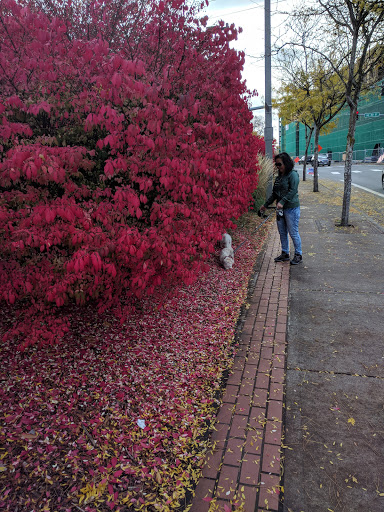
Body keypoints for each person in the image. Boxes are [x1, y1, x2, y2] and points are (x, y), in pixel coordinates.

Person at [259, 152, 303, 265]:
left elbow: (293, 191)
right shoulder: (279, 177)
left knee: (293, 232)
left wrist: (282, 202)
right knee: (282, 232)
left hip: (291, 208)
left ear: (286, 163)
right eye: (276, 165)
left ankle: (298, 254)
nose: (278, 167)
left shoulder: (293, 175)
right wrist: (265, 205)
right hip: (280, 210)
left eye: (280, 164)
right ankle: (285, 253)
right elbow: (274, 193)